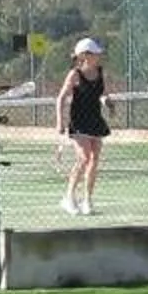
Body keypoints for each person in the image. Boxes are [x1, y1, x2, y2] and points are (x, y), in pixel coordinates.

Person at [54, 35, 111, 215]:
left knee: (94, 160)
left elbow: (102, 93)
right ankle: (69, 198)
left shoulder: (100, 73)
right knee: (84, 158)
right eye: (94, 54)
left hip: (95, 121)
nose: (97, 56)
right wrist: (60, 122)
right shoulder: (75, 75)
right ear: (84, 56)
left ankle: (87, 200)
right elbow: (61, 98)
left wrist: (106, 101)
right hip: (78, 122)